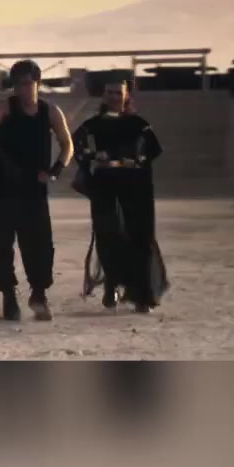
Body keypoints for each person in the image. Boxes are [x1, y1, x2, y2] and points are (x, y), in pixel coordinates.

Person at [0, 60, 74, 321]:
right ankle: (9, 294)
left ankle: (39, 294)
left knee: (39, 244)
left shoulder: (50, 111)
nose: (22, 89)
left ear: (37, 83)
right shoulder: (4, 106)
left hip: (33, 189)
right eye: (18, 84)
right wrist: (1, 159)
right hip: (2, 186)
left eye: (27, 83)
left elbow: (67, 144)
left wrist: (55, 170)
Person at [74, 79, 168, 313]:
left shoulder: (139, 125)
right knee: (108, 236)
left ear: (126, 96)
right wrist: (94, 157)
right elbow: (79, 148)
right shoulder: (92, 125)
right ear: (103, 95)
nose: (114, 97)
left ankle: (142, 294)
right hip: (105, 187)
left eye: (118, 93)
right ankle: (111, 285)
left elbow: (152, 152)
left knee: (139, 237)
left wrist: (135, 161)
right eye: (110, 92)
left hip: (135, 188)